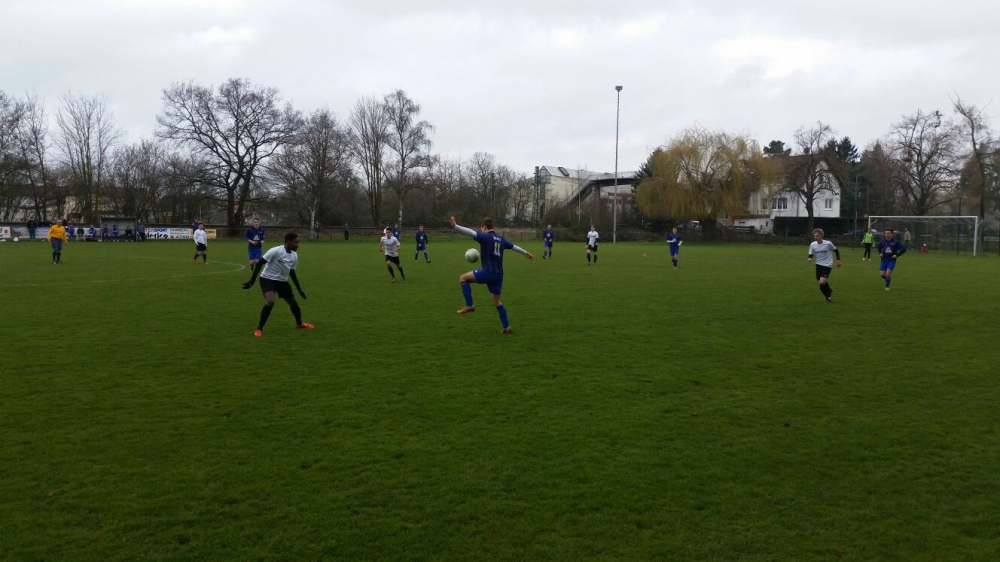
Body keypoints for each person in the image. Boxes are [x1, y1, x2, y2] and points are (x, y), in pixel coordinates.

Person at [451, 216, 534, 334]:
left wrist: (455, 226)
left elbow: (470, 232)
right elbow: (514, 247)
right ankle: (506, 327)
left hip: (488, 272)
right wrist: (526, 253)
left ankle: (469, 305)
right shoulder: (501, 239)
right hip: (498, 275)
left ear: (484, 227)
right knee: (496, 302)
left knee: (463, 278)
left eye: (481, 228)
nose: (481, 230)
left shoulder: (485, 237)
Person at [241, 231, 314, 337]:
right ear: (288, 242)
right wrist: (252, 281)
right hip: (267, 279)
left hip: (282, 281)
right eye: (296, 242)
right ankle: (259, 328)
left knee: (293, 303)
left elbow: (292, 272)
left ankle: (299, 324)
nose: (298, 245)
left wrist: (299, 288)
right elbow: (259, 264)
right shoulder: (275, 251)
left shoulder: (294, 256)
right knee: (270, 301)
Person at [807, 228, 841, 303]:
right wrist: (809, 258)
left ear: (822, 236)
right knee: (821, 282)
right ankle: (828, 293)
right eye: (814, 236)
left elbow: (836, 250)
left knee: (822, 282)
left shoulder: (828, 243)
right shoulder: (813, 244)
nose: (815, 237)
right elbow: (811, 253)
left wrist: (838, 260)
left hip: (827, 264)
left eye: (817, 236)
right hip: (818, 264)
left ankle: (828, 295)